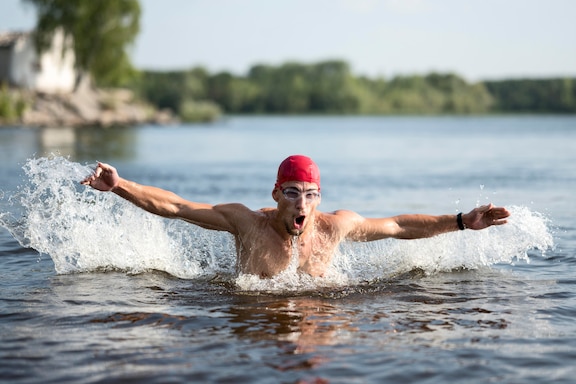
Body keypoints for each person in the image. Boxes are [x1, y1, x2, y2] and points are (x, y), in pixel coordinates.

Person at [81, 155, 510, 278]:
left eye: (309, 195)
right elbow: (177, 206)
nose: (301, 204)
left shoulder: (334, 226)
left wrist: (460, 221)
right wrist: (121, 185)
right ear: (276, 193)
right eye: (292, 194)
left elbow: (397, 226)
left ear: (319, 198)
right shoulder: (247, 221)